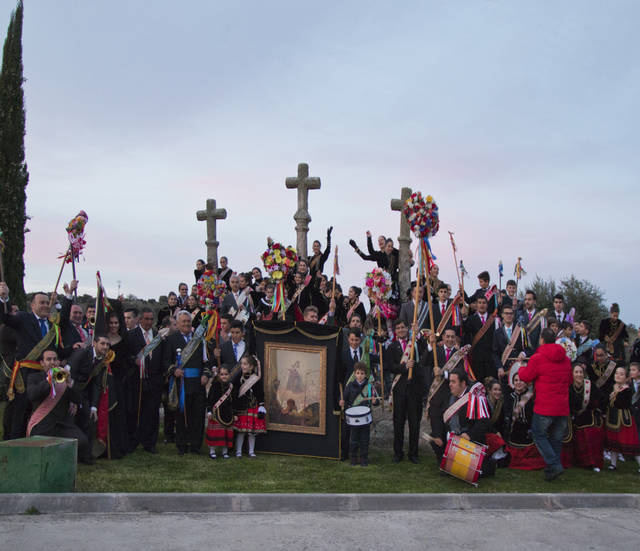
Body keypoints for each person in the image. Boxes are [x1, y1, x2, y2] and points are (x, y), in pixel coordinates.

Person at [0, 282, 66, 439]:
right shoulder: (23, 318)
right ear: (32, 305)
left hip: (45, 373)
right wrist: (4, 298)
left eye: (46, 302)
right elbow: (5, 318)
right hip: (24, 373)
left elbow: (59, 348)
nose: (44, 305)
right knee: (19, 408)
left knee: (38, 410)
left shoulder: (52, 325)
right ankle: (13, 442)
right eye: (41, 302)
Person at [518, 328, 572, 481]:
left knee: (539, 435)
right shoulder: (566, 359)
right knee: (556, 438)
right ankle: (551, 470)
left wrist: (521, 366)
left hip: (544, 406)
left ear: (541, 339)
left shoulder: (538, 358)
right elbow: (570, 381)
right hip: (562, 407)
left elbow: (526, 376)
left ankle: (554, 465)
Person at [26, 349, 90, 463]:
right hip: (42, 424)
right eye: (48, 359)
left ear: (59, 362)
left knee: (83, 442)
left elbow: (78, 399)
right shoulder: (34, 378)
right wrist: (49, 381)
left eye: (55, 359)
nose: (52, 362)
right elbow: (32, 395)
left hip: (62, 424)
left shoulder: (65, 379)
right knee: (42, 448)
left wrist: (70, 382)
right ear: (42, 363)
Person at [164, 311, 212, 455]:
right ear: (177, 324)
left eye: (188, 321)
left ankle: (196, 445)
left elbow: (208, 361)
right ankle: (182, 445)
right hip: (181, 384)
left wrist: (205, 374)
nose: (186, 324)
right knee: (181, 415)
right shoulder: (172, 340)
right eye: (183, 321)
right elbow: (165, 361)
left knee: (197, 415)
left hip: (198, 383)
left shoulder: (200, 340)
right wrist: (174, 371)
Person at [67, 334, 112, 463]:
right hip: (69, 392)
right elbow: (68, 375)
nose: (105, 347)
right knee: (70, 422)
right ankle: (69, 457)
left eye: (107, 345)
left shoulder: (102, 361)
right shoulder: (81, 354)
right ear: (94, 343)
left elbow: (97, 385)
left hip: (84, 395)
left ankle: (86, 456)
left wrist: (94, 407)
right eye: (102, 343)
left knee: (90, 420)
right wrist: (72, 400)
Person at [125, 307, 164, 454]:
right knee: (135, 411)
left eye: (151, 319)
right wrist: (133, 360)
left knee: (152, 413)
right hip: (137, 380)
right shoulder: (131, 335)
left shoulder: (157, 336)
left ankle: (150, 442)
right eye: (146, 319)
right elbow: (126, 356)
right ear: (140, 320)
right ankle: (133, 441)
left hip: (154, 381)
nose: (148, 322)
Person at [388, 319, 427, 463]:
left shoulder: (415, 344)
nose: (400, 330)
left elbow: (426, 350)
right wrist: (404, 367)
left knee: (414, 423)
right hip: (400, 390)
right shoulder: (392, 347)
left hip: (415, 389)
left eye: (403, 327)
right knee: (398, 423)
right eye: (398, 328)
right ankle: (398, 453)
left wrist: (417, 334)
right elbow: (390, 366)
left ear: (407, 328)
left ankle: (414, 453)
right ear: (395, 331)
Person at [424, 328, 460, 463]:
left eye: (452, 337)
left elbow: (461, 373)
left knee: (449, 432)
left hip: (451, 399)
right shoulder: (435, 351)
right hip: (436, 398)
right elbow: (424, 361)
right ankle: (440, 460)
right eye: (447, 336)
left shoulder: (459, 355)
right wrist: (429, 343)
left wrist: (444, 374)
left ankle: (449, 460)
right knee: (437, 434)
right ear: (443, 338)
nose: (450, 339)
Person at [504, 370, 545, 471]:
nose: (518, 382)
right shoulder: (509, 398)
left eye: (521, 380)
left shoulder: (532, 397)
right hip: (513, 432)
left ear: (526, 383)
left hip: (528, 431)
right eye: (516, 380)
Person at [569, 362, 604, 472]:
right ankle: (580, 461)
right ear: (572, 374)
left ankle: (593, 462)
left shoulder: (589, 385)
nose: (579, 375)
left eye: (580, 372)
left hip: (589, 416)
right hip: (574, 418)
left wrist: (598, 410)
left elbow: (603, 398)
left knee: (590, 434)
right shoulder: (569, 387)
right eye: (576, 372)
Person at [604, 366, 640, 472]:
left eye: (621, 374)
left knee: (631, 442)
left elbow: (621, 404)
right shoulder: (613, 386)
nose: (618, 375)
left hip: (624, 420)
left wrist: (616, 393)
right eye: (616, 373)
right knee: (613, 441)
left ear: (626, 377)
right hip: (612, 418)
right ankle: (613, 464)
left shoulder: (627, 390)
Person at [340, 362, 376, 467]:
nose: (360, 375)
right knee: (354, 439)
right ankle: (353, 458)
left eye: (362, 373)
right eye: (358, 373)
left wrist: (374, 401)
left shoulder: (369, 386)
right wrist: (341, 401)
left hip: (365, 418)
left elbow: (376, 400)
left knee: (365, 439)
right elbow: (344, 398)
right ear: (354, 374)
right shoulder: (350, 385)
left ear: (365, 375)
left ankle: (364, 458)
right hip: (354, 417)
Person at [233, 354, 266, 457]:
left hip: (253, 407)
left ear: (251, 366)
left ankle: (251, 451)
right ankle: (239, 451)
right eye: (242, 364)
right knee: (241, 431)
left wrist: (261, 405)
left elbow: (260, 393)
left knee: (252, 432)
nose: (243, 366)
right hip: (241, 407)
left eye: (245, 364)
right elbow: (234, 392)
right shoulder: (238, 378)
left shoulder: (255, 379)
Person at [463, 295, 496, 382]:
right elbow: (465, 333)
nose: (482, 305)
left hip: (490, 358)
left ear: (487, 305)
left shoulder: (494, 319)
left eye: (484, 303)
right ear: (476, 305)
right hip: (476, 358)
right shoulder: (471, 319)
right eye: (480, 303)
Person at [206, 365, 235, 459]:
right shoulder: (215, 386)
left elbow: (233, 401)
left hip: (227, 413)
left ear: (229, 375)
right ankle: (212, 450)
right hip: (216, 413)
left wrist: (234, 413)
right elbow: (210, 399)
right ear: (218, 375)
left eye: (226, 374)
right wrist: (209, 411)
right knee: (215, 433)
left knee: (225, 434)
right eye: (221, 374)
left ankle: (225, 451)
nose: (224, 376)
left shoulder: (231, 386)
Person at [492, 305, 525, 382]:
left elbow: (529, 348)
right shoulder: (497, 333)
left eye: (511, 313)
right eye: (506, 313)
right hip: (504, 370)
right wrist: (499, 367)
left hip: (518, 368)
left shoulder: (521, 330)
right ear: (502, 315)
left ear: (513, 315)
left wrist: (523, 353)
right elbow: (495, 353)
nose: (509, 315)